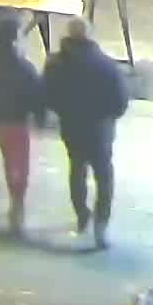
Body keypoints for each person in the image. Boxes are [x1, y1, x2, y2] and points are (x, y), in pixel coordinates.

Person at [44, 26, 131, 247]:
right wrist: (107, 118)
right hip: (100, 131)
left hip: (72, 127)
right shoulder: (106, 66)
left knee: (77, 168)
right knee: (104, 177)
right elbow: (120, 102)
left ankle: (82, 214)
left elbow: (47, 94)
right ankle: (100, 227)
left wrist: (63, 111)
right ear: (90, 36)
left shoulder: (55, 64)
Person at [0, 23, 43, 238]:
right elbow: (35, 96)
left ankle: (15, 200)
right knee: (20, 164)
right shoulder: (26, 68)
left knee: (8, 160)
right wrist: (39, 118)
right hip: (18, 122)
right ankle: (17, 203)